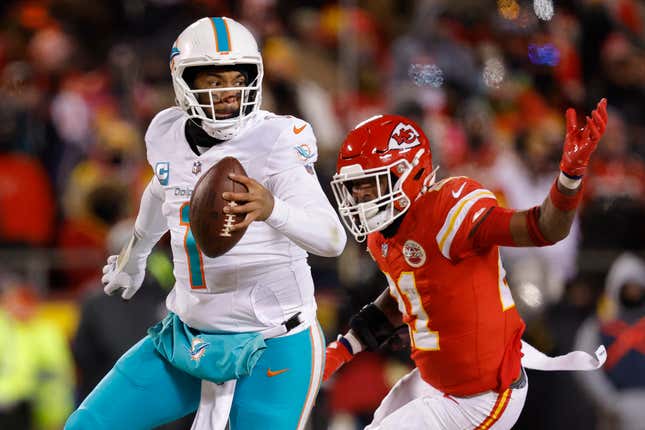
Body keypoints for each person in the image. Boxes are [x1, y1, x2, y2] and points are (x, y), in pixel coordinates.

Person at [65, 16, 346, 430]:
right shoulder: (164, 131)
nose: (228, 93)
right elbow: (163, 189)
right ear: (184, 81)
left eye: (236, 79)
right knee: (86, 426)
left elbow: (333, 239)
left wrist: (273, 209)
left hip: (273, 341)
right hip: (189, 337)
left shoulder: (277, 140)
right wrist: (136, 253)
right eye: (213, 81)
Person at [323, 102, 609, 429]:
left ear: (409, 173)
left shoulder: (449, 211)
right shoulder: (381, 238)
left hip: (483, 394)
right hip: (436, 382)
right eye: (354, 189)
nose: (360, 199)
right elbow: (405, 293)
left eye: (369, 185)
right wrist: (342, 350)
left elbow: (544, 228)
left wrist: (569, 178)